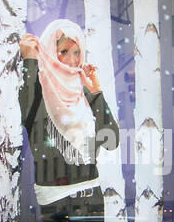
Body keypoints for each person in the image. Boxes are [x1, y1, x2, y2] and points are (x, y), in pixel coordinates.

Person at [19, 20, 119, 206]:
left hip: (92, 195)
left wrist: (96, 93)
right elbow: (27, 114)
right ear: (49, 50)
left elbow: (111, 141)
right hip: (55, 199)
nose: (72, 60)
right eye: (63, 51)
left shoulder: (83, 91)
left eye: (77, 52)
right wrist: (30, 61)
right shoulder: (39, 88)